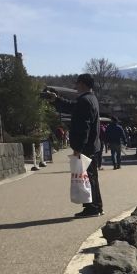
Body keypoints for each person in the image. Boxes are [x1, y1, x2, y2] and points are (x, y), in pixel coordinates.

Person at [44, 74, 103, 217]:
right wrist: (56, 99)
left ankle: (92, 208)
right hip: (92, 145)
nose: (75, 86)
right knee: (91, 177)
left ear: (82, 84)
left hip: (86, 147)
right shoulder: (91, 99)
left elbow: (84, 127)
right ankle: (96, 206)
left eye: (77, 83)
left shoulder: (84, 101)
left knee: (87, 178)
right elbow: (72, 107)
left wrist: (78, 148)